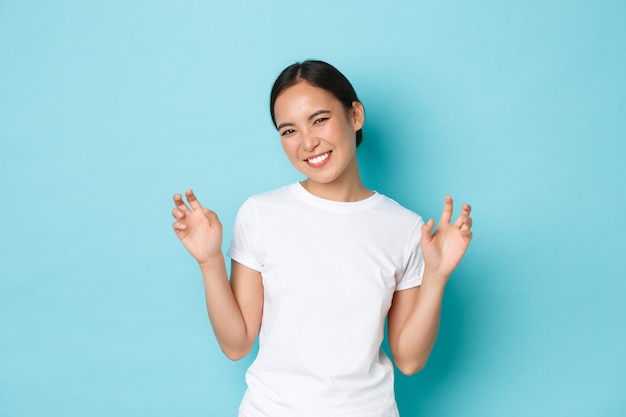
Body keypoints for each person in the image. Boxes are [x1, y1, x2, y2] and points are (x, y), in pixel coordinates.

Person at [171, 60, 473, 417]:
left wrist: (436, 276)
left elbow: (409, 360)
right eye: (289, 130)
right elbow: (236, 345)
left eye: (319, 119)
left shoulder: (404, 227)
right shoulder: (260, 214)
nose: (308, 142)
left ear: (355, 116)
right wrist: (209, 262)